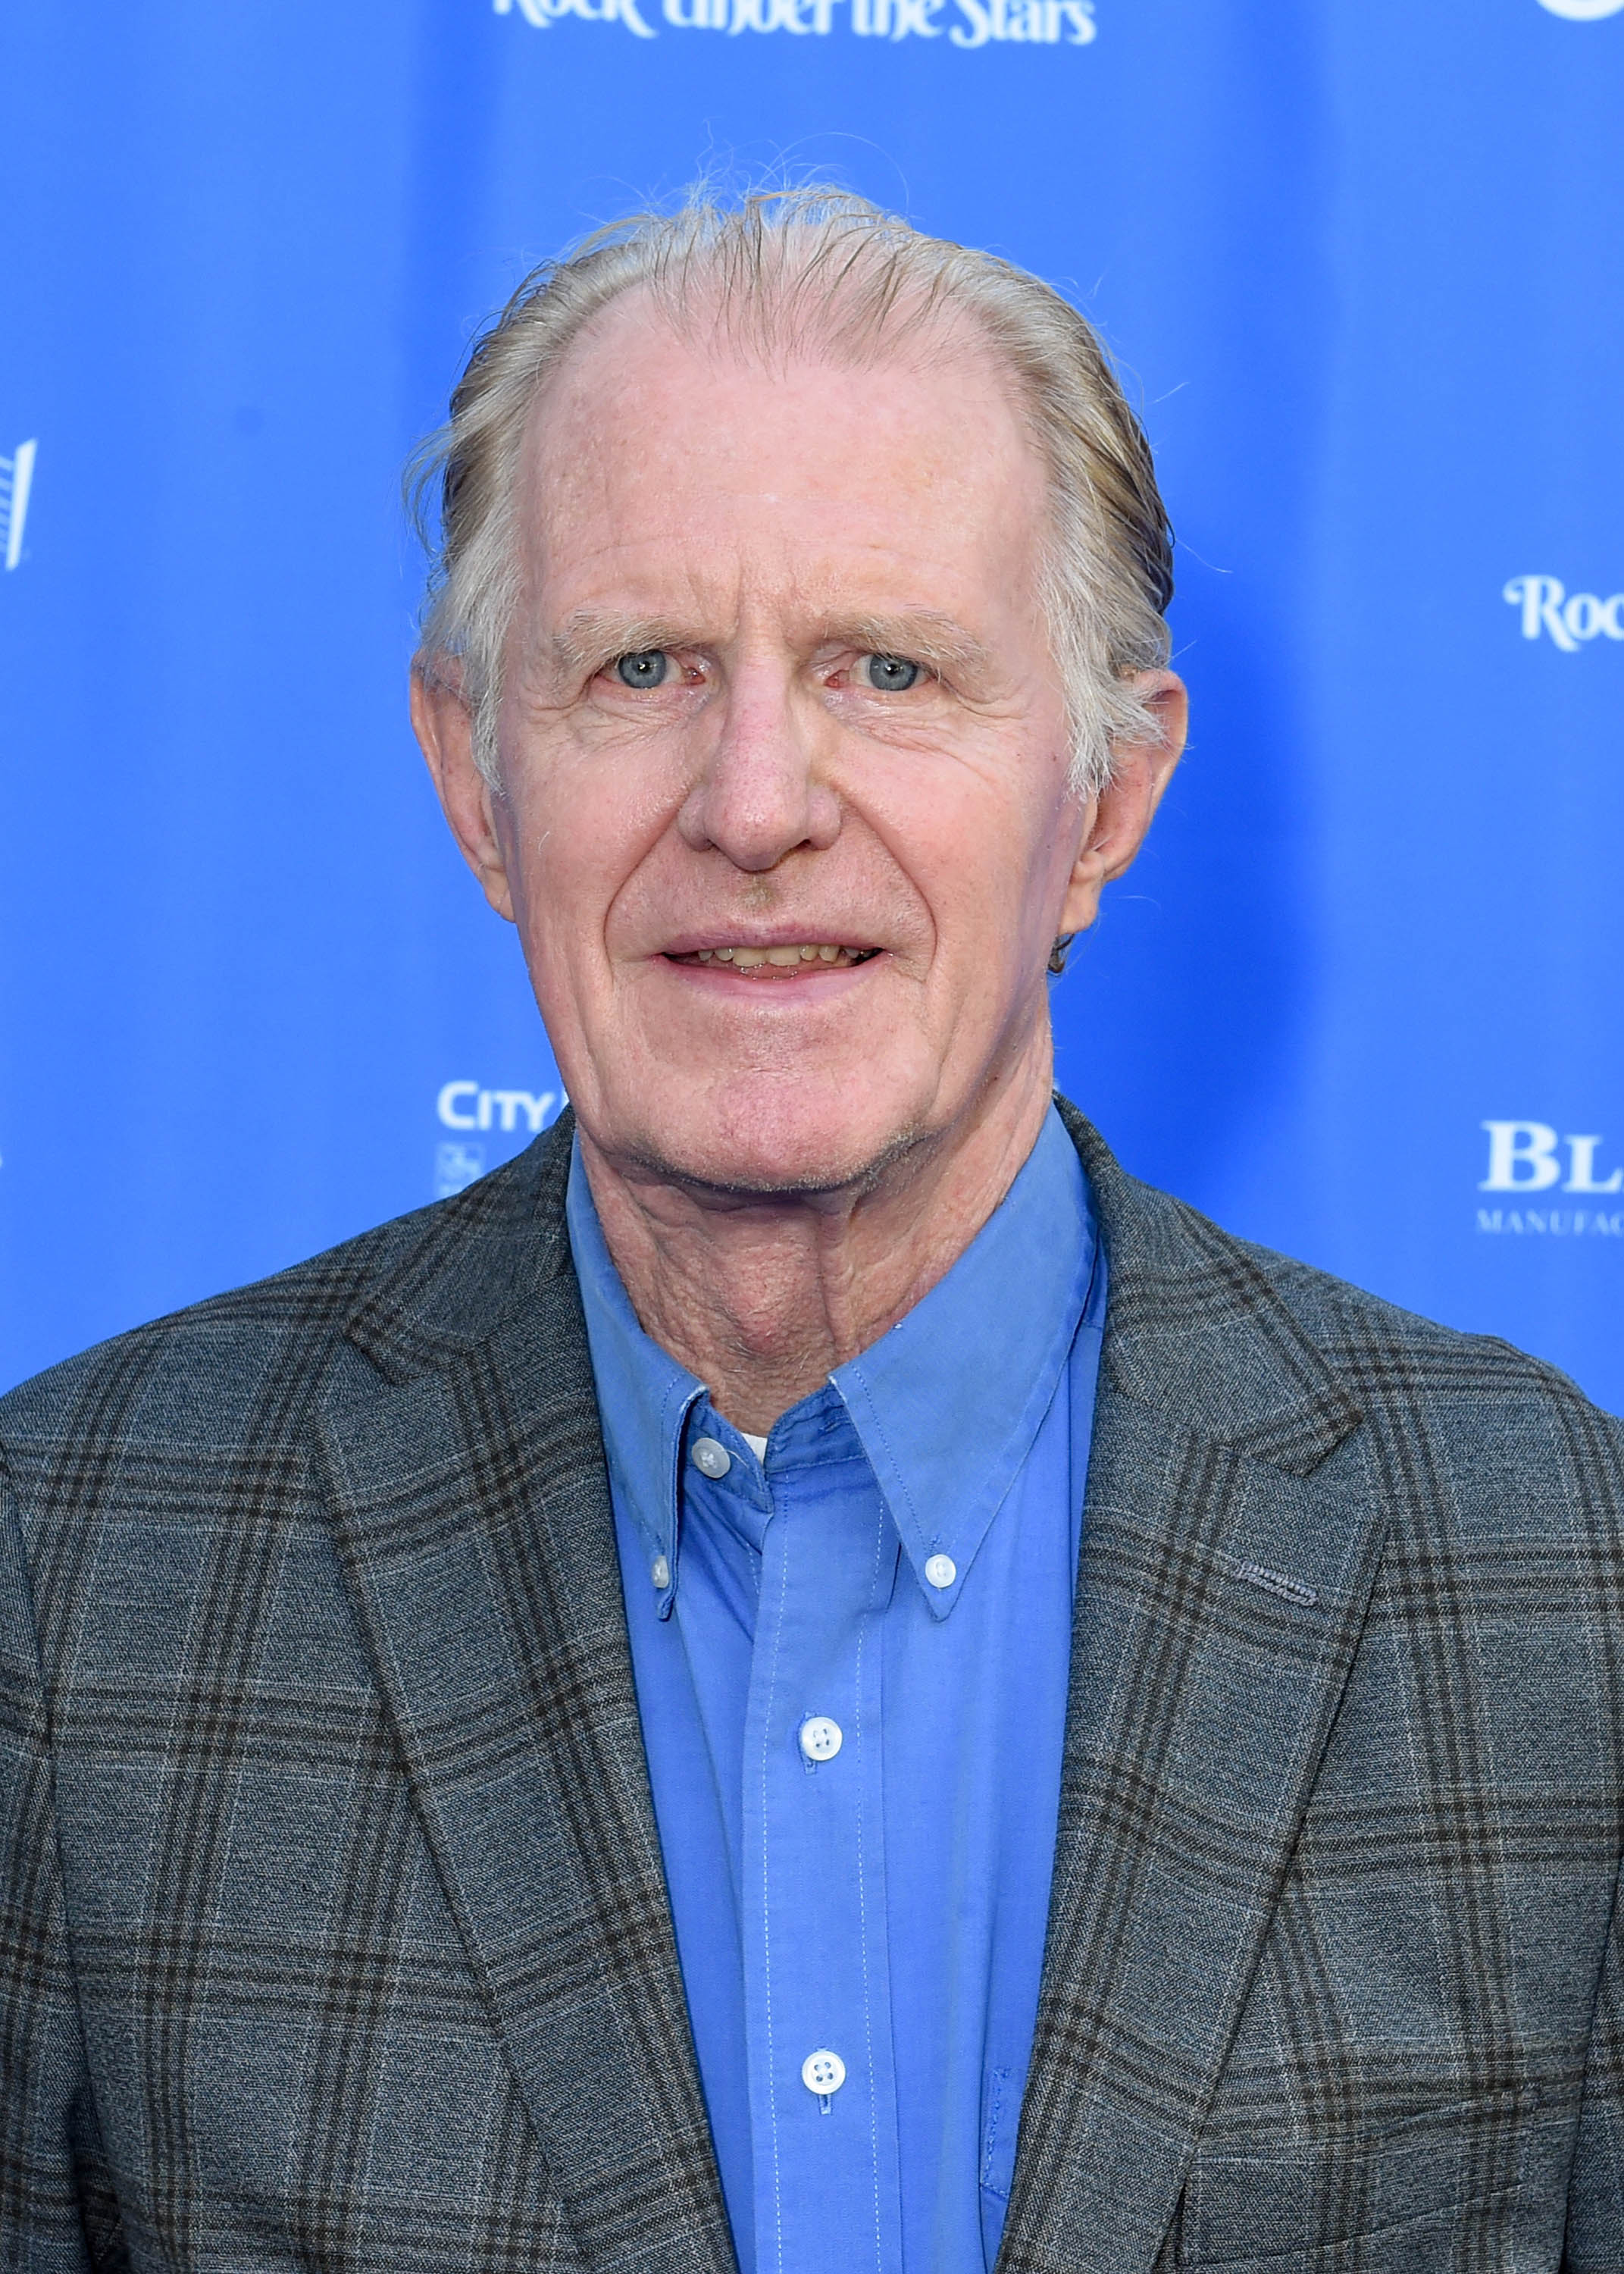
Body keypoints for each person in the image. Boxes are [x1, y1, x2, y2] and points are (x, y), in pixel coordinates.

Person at [2, 189, 1619, 2274]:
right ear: (477, 780)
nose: (757, 798)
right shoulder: (70, 1583)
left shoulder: (1554, 1577)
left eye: (889, 667)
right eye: (643, 665)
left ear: (1107, 803)